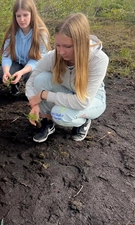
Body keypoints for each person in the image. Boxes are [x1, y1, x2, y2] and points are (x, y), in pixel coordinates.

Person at [25, 12, 109, 143]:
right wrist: (34, 103)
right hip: (67, 90)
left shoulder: (98, 59)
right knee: (41, 78)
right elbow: (32, 81)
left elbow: (83, 101)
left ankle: (83, 121)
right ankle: (47, 121)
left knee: (60, 114)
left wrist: (45, 95)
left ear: (80, 44)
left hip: (90, 99)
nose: (61, 51)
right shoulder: (53, 56)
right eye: (58, 45)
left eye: (67, 46)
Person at [0, 0, 51, 96]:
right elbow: (6, 55)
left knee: (33, 75)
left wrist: (22, 72)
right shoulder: (12, 32)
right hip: (17, 62)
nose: (22, 19)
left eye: (25, 15)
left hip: (34, 64)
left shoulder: (41, 33)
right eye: (18, 16)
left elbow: (38, 59)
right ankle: (14, 86)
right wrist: (6, 71)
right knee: (3, 72)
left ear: (32, 14)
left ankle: (32, 92)